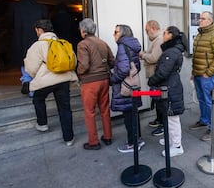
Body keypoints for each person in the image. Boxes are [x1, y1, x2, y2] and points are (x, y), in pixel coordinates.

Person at [24, 19, 77, 146]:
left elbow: (30, 68)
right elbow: (73, 61)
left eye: (36, 30)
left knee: (38, 99)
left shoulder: (37, 45)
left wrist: (37, 76)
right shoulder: (63, 43)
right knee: (65, 109)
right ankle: (69, 138)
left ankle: (42, 124)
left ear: (39, 30)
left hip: (45, 81)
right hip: (64, 79)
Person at [148, 26, 188, 157]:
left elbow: (162, 73)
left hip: (170, 87)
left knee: (172, 119)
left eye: (164, 33)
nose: (163, 34)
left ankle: (177, 146)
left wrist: (151, 81)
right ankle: (170, 140)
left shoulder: (171, 52)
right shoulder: (173, 50)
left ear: (170, 35)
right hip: (170, 86)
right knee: (169, 117)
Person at [76, 19, 115, 150]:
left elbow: (84, 66)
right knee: (104, 109)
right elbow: (112, 61)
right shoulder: (103, 43)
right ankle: (108, 136)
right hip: (104, 79)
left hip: (90, 82)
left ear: (83, 31)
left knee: (89, 111)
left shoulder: (82, 44)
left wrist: (78, 73)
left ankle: (93, 142)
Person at [190, 11, 214, 141]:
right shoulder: (200, 34)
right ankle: (204, 121)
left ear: (210, 20)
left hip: (207, 76)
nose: (200, 20)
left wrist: (208, 73)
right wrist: (193, 72)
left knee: (209, 102)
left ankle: (213, 128)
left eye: (203, 18)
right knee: (201, 99)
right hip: (198, 74)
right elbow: (196, 57)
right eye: (200, 18)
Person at [110, 25, 145, 153]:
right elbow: (136, 67)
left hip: (125, 87)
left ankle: (132, 143)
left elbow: (124, 69)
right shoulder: (133, 45)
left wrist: (113, 79)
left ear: (123, 33)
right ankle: (138, 139)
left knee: (128, 116)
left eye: (116, 32)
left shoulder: (122, 46)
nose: (113, 34)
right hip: (133, 85)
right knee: (133, 114)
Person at [13, 0, 48, 95]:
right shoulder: (41, 7)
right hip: (36, 39)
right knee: (37, 63)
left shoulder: (16, 7)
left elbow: (11, 24)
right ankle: (34, 89)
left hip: (21, 39)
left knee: (24, 61)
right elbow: (46, 24)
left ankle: (26, 80)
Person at [139, 20, 164, 137]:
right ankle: (159, 120)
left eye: (147, 30)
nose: (146, 32)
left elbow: (154, 58)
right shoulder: (156, 39)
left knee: (160, 101)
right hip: (155, 75)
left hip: (156, 75)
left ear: (153, 28)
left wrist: (143, 55)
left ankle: (163, 124)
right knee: (157, 99)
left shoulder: (159, 40)